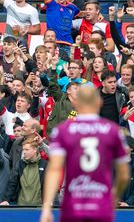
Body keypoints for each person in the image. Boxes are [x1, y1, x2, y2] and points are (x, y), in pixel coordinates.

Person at [40, 85, 130, 222]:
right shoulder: (113, 131)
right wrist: (114, 198)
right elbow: (124, 175)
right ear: (99, 102)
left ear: (75, 103)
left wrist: (46, 207)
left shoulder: (63, 130)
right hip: (101, 206)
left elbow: (54, 169)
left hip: (73, 206)